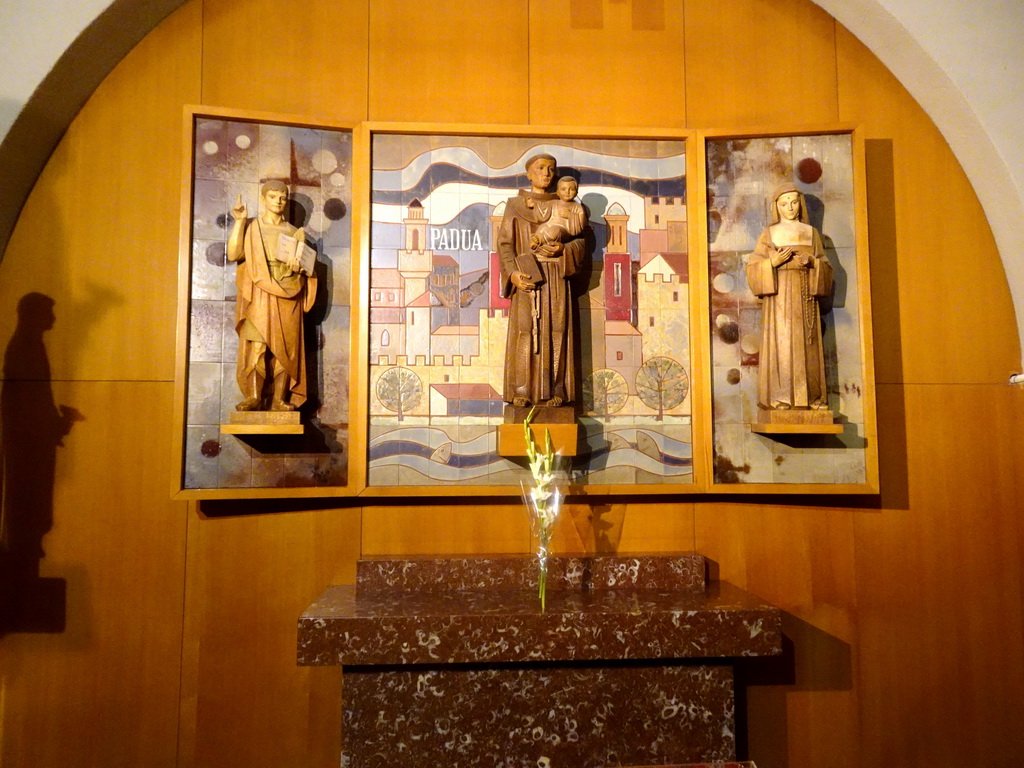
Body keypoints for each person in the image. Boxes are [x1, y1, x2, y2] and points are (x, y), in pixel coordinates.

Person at [498, 155, 588, 408]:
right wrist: (513, 274)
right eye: (540, 168)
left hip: (557, 277)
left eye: (551, 169)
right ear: (528, 174)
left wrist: (563, 250)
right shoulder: (515, 205)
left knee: (558, 331)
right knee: (525, 331)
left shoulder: (567, 205)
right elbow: (505, 244)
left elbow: (582, 242)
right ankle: (522, 390)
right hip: (526, 276)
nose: (546, 173)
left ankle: (557, 390)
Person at [227, 180, 317, 411]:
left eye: (283, 197)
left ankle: (279, 399)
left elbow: (307, 270)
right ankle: (254, 396)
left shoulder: (292, 232)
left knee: (286, 350)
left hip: (288, 293)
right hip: (259, 293)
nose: (278, 201)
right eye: (273, 197)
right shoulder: (252, 227)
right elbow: (234, 253)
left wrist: (302, 267)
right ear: (263, 199)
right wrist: (238, 222)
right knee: (258, 346)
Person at [746, 182, 833, 412]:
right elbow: (753, 267)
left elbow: (826, 266)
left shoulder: (811, 233)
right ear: (777, 206)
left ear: (800, 203)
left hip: (806, 296)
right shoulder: (770, 233)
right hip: (779, 297)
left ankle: (813, 398)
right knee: (781, 345)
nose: (790, 207)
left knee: (809, 345)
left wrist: (812, 262)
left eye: (794, 202)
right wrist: (773, 263)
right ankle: (780, 397)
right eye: (784, 203)